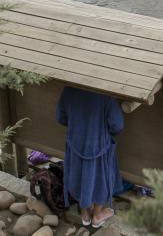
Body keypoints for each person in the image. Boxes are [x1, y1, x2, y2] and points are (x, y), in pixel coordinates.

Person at [56, 86, 123, 228]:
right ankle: (98, 215)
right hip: (98, 146)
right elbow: (117, 125)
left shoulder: (68, 89)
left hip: (75, 144)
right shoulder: (106, 95)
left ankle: (85, 214)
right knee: (100, 179)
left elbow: (61, 117)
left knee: (79, 176)